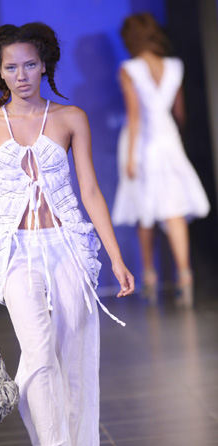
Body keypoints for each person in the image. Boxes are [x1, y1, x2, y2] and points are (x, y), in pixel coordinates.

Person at [0, 22, 134, 446]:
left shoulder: (70, 118)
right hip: (14, 251)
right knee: (39, 355)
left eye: (29, 64)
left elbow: (91, 191)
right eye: (11, 67)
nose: (21, 75)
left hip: (67, 246)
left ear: (44, 66)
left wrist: (115, 257)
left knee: (75, 357)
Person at [111, 13, 210, 307]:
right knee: (174, 209)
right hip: (168, 141)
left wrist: (130, 157)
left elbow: (135, 115)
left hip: (142, 143)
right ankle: (185, 275)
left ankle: (150, 277)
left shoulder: (130, 68)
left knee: (146, 210)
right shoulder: (174, 66)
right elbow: (179, 113)